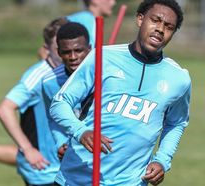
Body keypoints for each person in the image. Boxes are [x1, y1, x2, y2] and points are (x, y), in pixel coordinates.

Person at [50, 0, 190, 185]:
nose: (160, 29)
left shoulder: (179, 78)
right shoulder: (103, 57)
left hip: (131, 181)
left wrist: (162, 160)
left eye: (168, 26)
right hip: (77, 178)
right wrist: (80, 131)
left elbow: (177, 123)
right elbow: (60, 103)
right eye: (155, 20)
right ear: (140, 19)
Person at [0, 17, 68, 186]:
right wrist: (27, 149)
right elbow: (5, 109)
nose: (65, 54)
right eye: (58, 48)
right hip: (44, 171)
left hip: (66, 168)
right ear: (47, 50)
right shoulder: (39, 75)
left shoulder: (74, 72)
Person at [42, 22, 91, 160]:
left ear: (89, 49)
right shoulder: (49, 82)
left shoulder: (106, 76)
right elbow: (53, 119)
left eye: (79, 50)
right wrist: (61, 143)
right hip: (76, 155)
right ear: (58, 52)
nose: (73, 57)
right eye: (66, 52)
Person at [38, 0, 116, 60]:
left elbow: (43, 50)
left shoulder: (80, 17)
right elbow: (88, 56)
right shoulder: (88, 20)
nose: (113, 3)